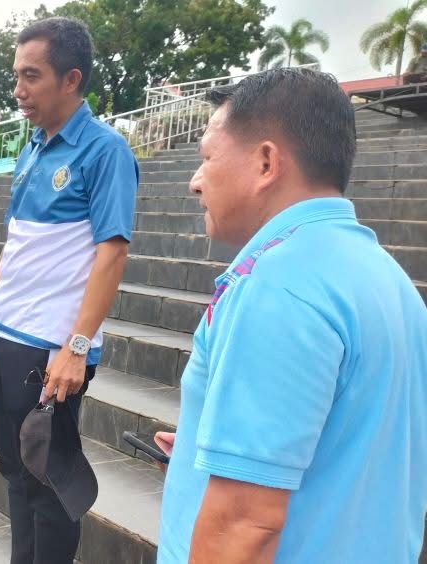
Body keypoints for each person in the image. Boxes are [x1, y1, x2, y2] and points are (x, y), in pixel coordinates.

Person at [154, 68, 427, 563]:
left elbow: (244, 525)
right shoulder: (391, 281)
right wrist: (208, 448)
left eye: (208, 158)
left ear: (266, 163)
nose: (196, 182)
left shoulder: (278, 284)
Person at [0, 17, 138, 563]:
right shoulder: (34, 147)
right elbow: (16, 243)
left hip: (49, 351)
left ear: (71, 78)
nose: (18, 89)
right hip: (7, 340)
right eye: (16, 75)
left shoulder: (104, 151)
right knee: (16, 475)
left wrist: (77, 347)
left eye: (31, 76)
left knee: (49, 487)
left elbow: (112, 253)